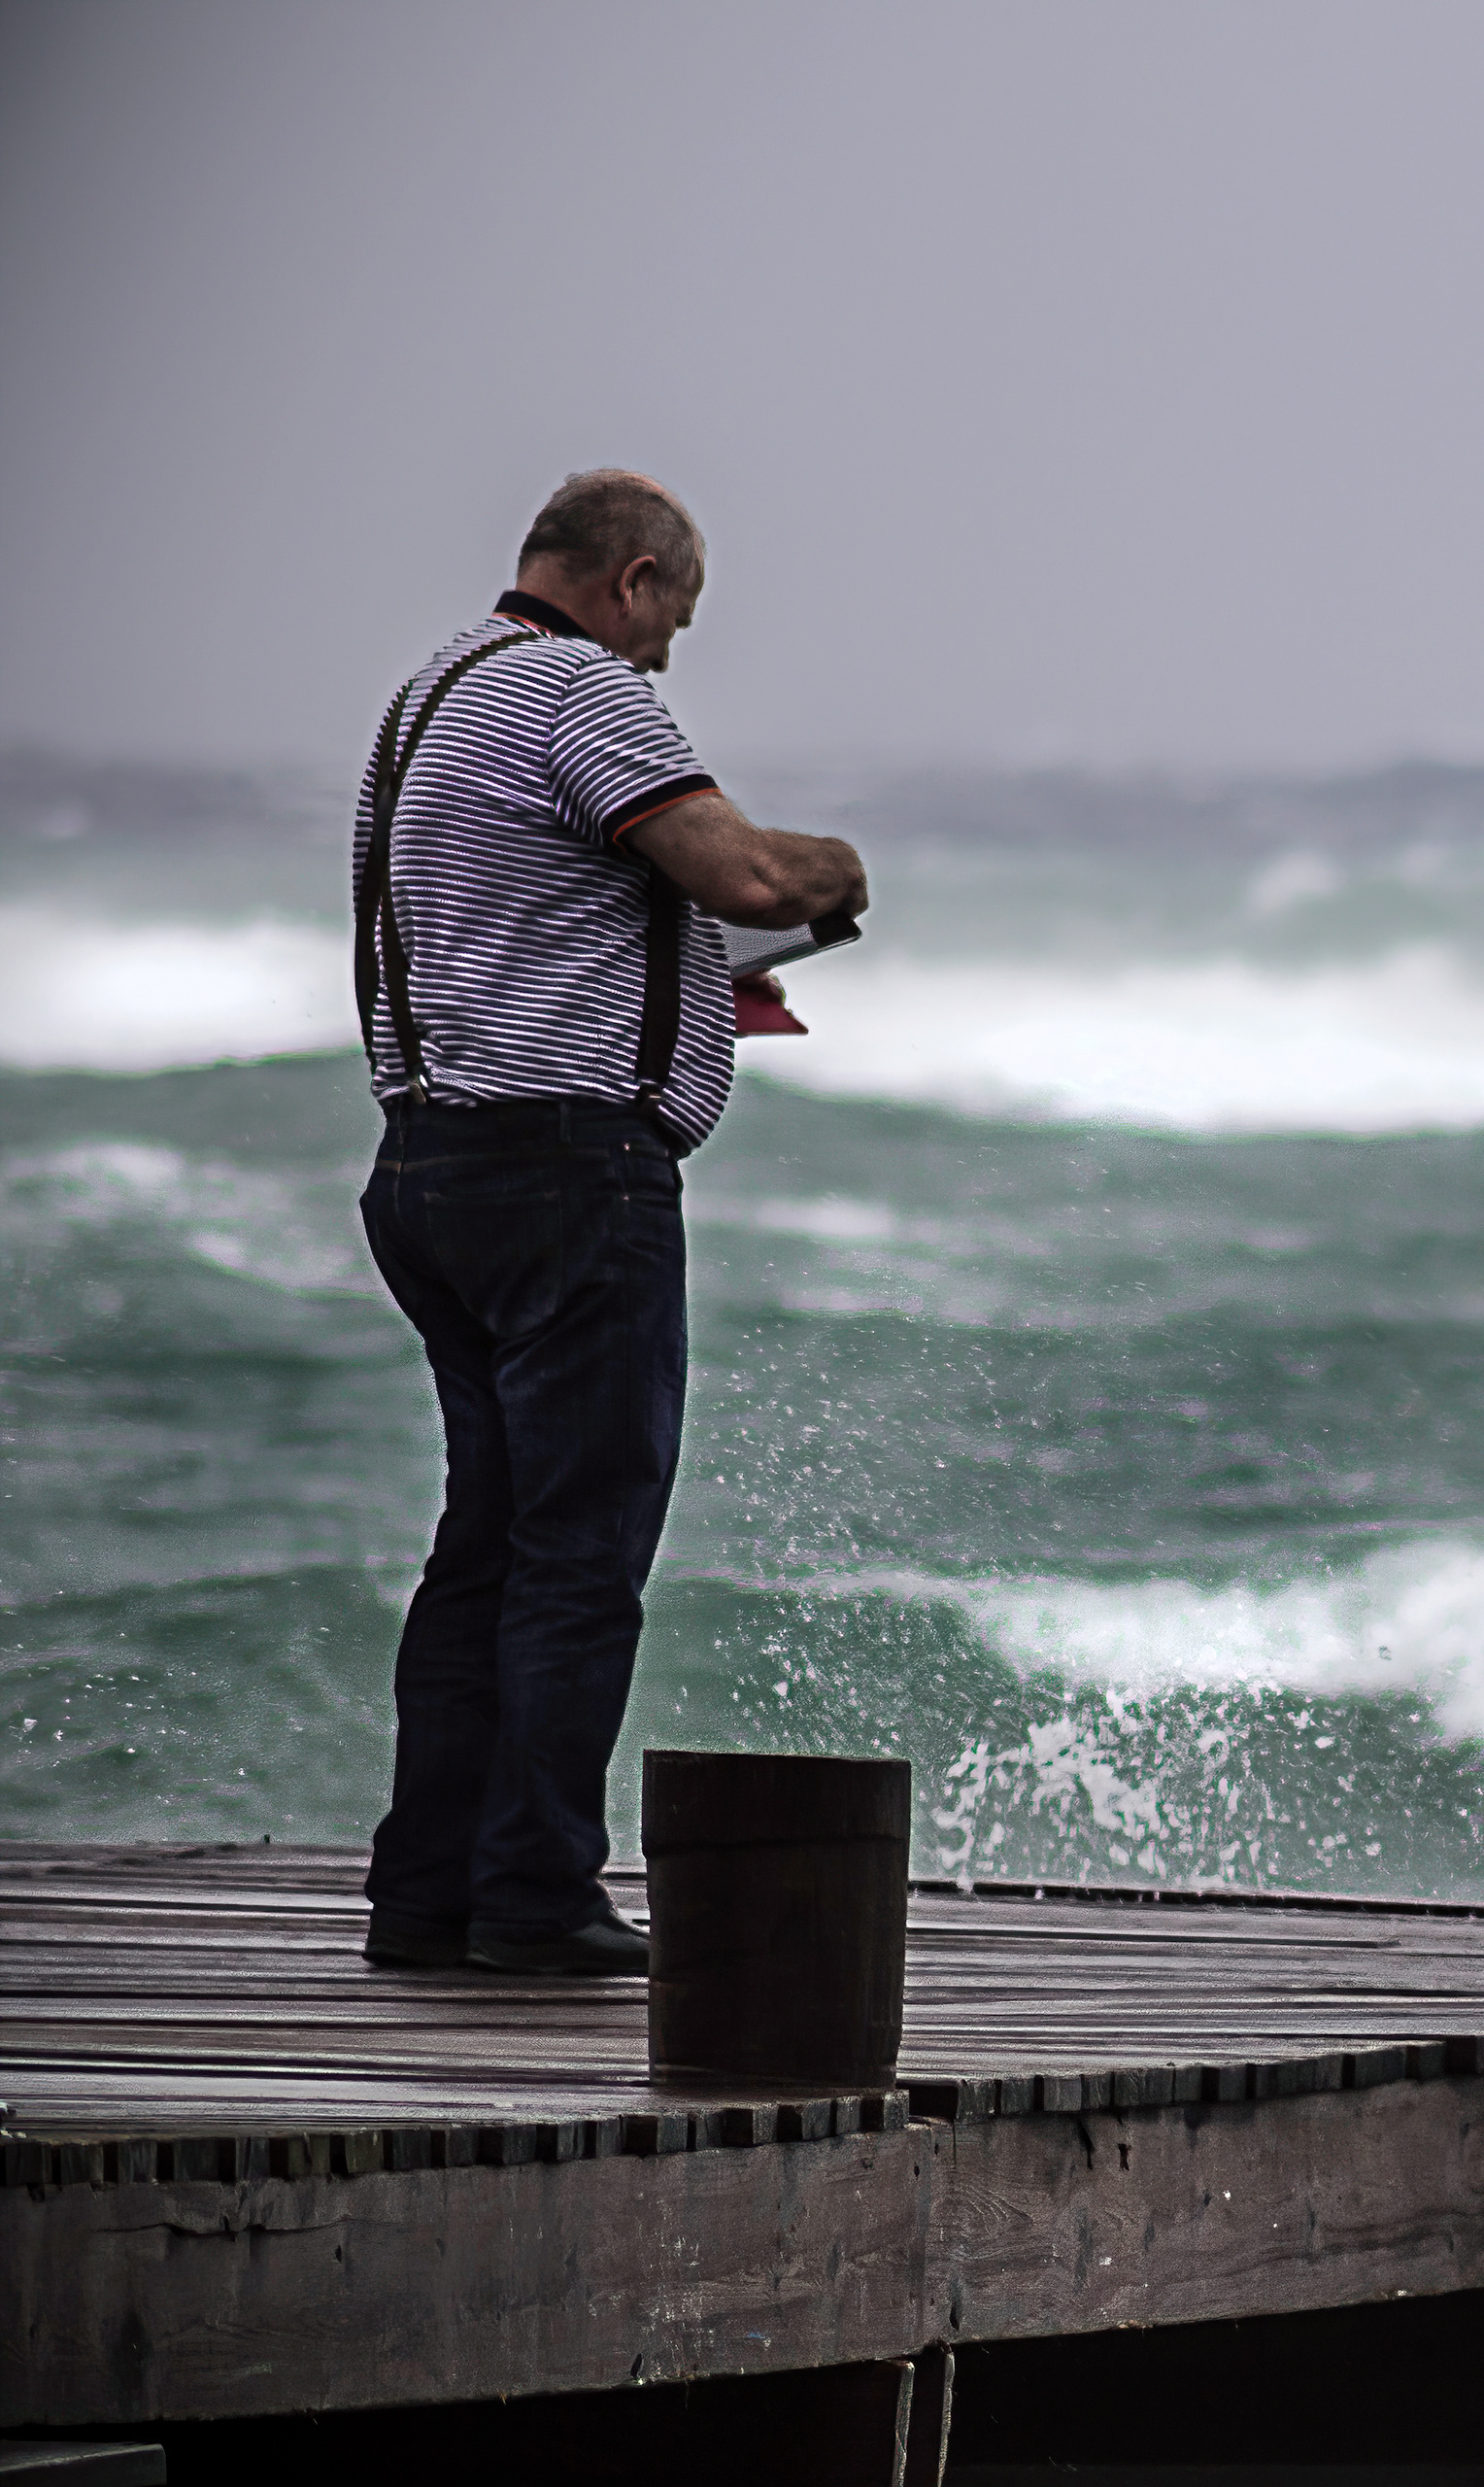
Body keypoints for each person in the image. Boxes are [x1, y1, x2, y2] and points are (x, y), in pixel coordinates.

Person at [352, 469, 868, 1976]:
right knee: (581, 1555)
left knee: (488, 1546)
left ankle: (427, 1894)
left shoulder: (428, 696)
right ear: (633, 580)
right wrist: (835, 878)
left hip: (428, 1163)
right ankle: (536, 1897)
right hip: (570, 1179)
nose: (663, 659)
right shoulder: (581, 690)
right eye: (673, 625)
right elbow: (747, 872)